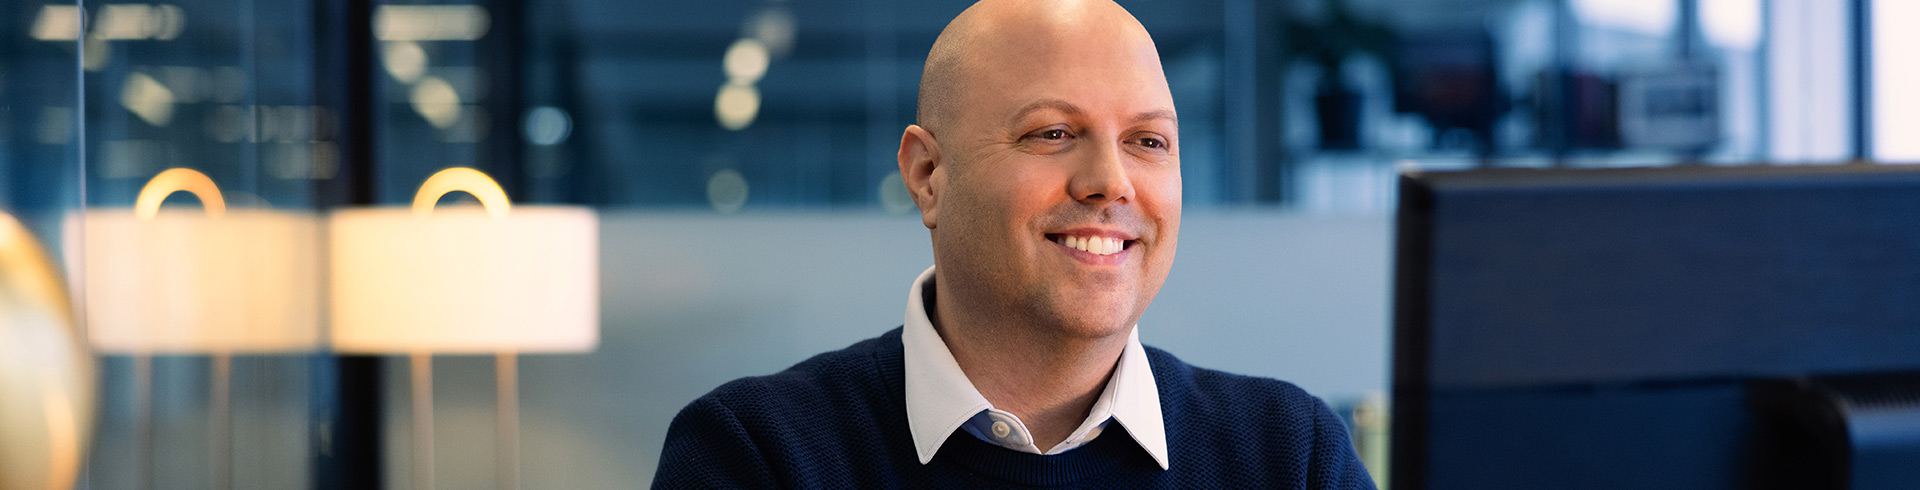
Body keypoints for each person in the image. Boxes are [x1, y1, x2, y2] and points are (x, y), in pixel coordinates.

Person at [652, 0, 1375, 487]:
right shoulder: (760, 457)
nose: (1110, 182)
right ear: (928, 175)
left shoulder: (1290, 456)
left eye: (1148, 141)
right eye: (1053, 134)